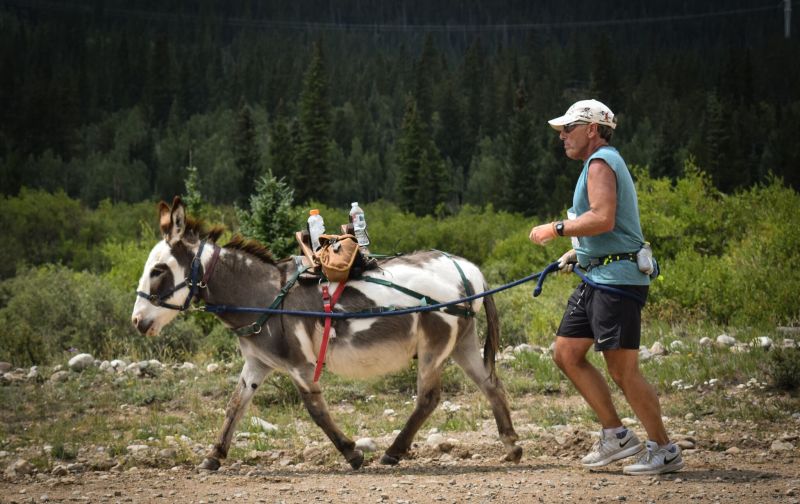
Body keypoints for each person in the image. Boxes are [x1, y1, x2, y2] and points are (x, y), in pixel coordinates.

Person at [529, 99, 684, 475]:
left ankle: (664, 448)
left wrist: (556, 229)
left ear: (593, 129)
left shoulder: (601, 162)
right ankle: (616, 435)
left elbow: (602, 217)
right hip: (598, 275)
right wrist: (576, 252)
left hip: (617, 281)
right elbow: (603, 226)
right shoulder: (594, 164)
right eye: (562, 130)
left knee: (623, 371)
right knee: (567, 353)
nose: (562, 136)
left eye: (569, 128)